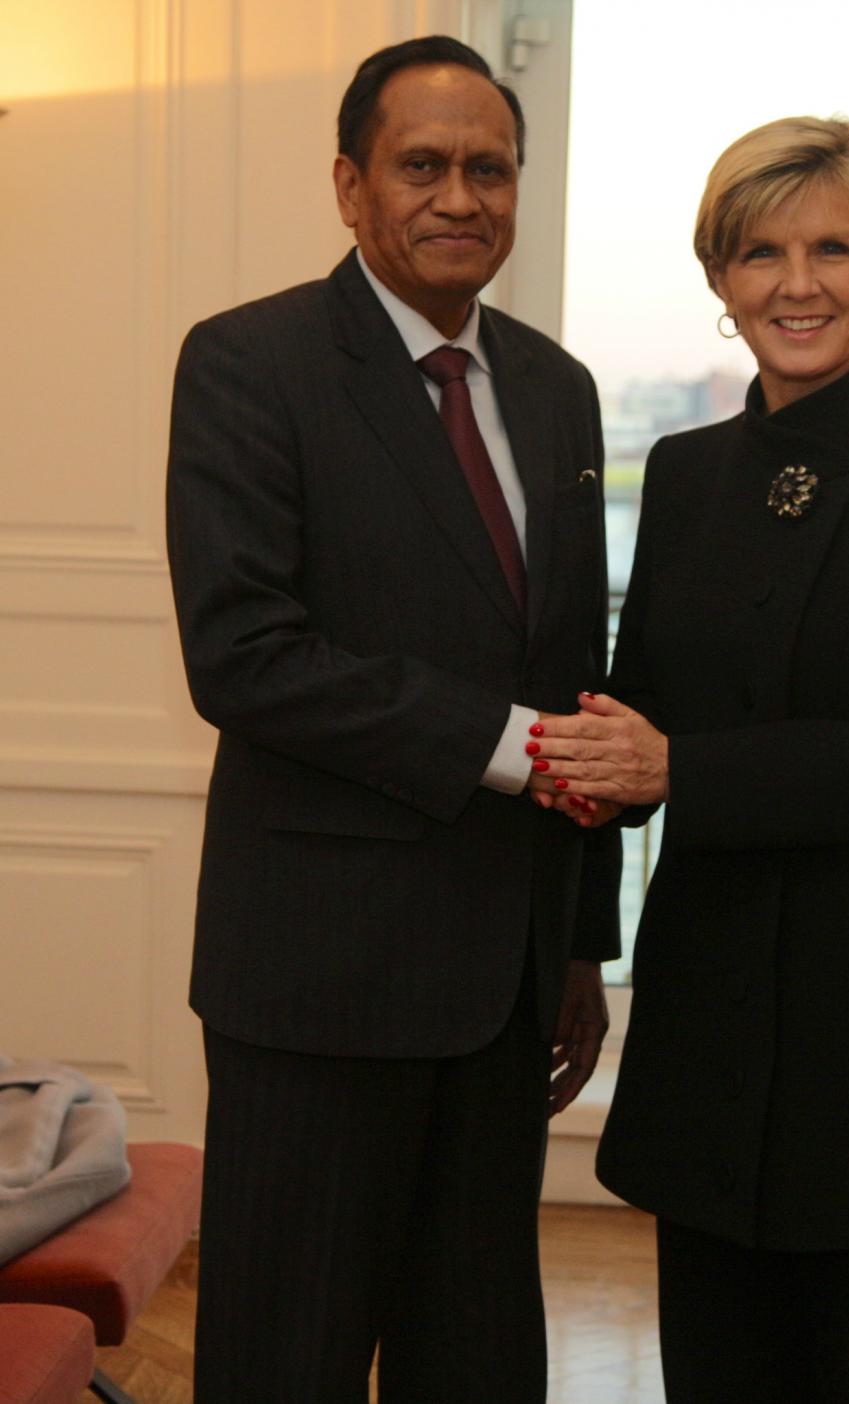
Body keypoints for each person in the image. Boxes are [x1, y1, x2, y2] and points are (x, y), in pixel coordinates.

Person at [529, 116, 849, 1403]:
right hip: (704, 1012)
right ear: (720, 280)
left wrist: (675, 775)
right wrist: (569, 929)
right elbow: (632, 711)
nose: (796, 283)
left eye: (833, 248)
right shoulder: (690, 472)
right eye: (760, 252)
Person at [166, 36, 619, 1404]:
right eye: (423, 165)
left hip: (503, 991)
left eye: (491, 168)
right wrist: (504, 750)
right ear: (351, 187)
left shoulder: (558, 391)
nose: (460, 196)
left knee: (476, 1364)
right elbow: (244, 656)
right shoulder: (249, 365)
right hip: (315, 985)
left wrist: (581, 949)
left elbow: (578, 677)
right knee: (284, 1361)